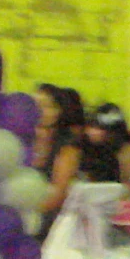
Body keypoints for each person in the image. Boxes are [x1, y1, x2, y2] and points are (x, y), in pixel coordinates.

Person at [32, 85, 89, 227]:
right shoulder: (22, 137)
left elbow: (58, 195)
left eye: (46, 106)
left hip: (47, 216)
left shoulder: (67, 145)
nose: (38, 110)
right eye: (34, 105)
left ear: (59, 112)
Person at [83, 103, 130, 183]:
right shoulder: (86, 146)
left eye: (98, 128)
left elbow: (128, 183)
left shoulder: (126, 150)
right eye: (90, 126)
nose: (91, 132)